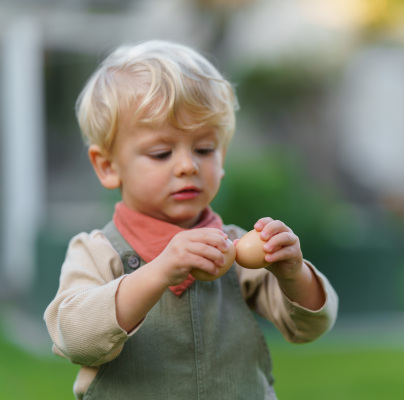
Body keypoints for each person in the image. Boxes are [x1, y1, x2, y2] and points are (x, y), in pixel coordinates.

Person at [44, 40, 338, 400]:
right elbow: (74, 338)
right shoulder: (97, 252)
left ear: (223, 155)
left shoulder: (234, 246)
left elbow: (308, 328)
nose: (188, 166)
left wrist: (294, 273)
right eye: (161, 152)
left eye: (204, 149)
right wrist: (160, 270)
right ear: (108, 166)